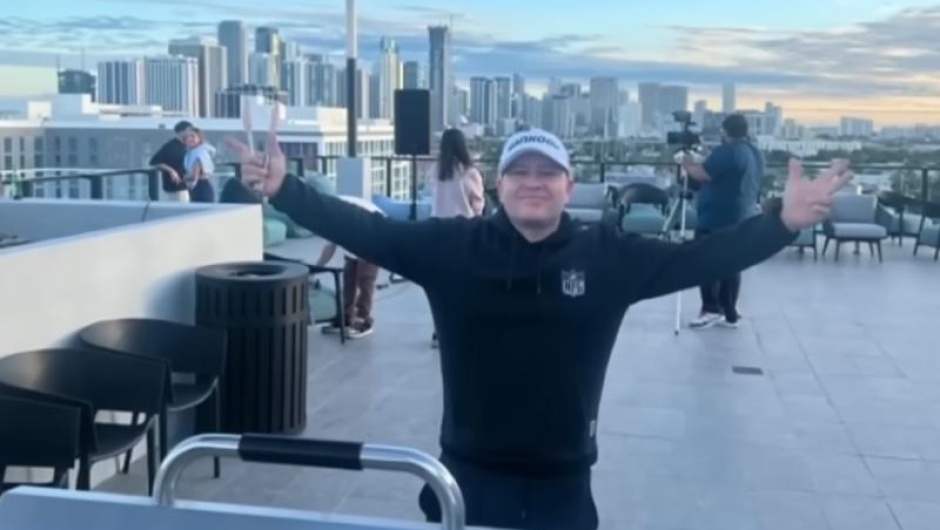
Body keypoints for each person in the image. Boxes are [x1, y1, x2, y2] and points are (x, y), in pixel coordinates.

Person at [227, 125, 851, 530]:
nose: (533, 182)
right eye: (519, 171)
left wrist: (781, 223)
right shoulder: (452, 248)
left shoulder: (607, 256)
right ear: (497, 184)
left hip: (564, 481)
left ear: (567, 185)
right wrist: (285, 190)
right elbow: (366, 230)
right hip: (468, 474)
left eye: (546, 172)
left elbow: (702, 258)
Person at [681, 114, 765, 329]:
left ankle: (711, 309)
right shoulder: (755, 153)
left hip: (717, 218)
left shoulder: (727, 151)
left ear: (725, 131)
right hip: (743, 216)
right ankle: (729, 311)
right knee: (731, 264)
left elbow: (702, 175)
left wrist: (687, 163)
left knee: (706, 261)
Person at [425, 127, 485, 347]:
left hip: (437, 232)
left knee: (441, 285)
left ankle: (438, 331)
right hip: (463, 233)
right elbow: (477, 204)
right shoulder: (469, 172)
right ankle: (461, 329)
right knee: (464, 283)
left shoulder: (435, 170)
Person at [315, 195, 385, 339]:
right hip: (356, 240)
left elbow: (364, 239)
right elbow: (330, 247)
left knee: (364, 280)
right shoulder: (328, 216)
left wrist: (362, 261)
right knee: (349, 279)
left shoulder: (340, 211)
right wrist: (316, 268)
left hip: (374, 236)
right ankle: (346, 318)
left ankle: (363, 320)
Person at [150, 121, 194, 202]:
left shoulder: (185, 146)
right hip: (175, 189)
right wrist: (171, 171)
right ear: (181, 132)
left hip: (184, 187)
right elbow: (155, 162)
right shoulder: (170, 146)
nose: (191, 133)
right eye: (189, 130)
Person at [183, 128, 216, 203]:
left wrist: (183, 178)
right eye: (187, 137)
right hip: (195, 189)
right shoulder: (191, 152)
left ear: (199, 138)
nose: (189, 139)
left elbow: (194, 175)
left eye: (192, 136)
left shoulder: (201, 152)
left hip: (201, 189)